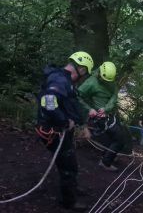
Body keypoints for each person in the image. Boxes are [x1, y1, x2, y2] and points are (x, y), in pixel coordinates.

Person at [35, 51, 93, 211]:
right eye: (84, 73)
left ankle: (71, 188)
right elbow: (49, 103)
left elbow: (69, 104)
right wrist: (65, 121)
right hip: (53, 131)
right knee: (69, 166)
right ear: (81, 69)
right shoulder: (59, 80)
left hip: (59, 130)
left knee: (68, 162)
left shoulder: (64, 80)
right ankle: (69, 202)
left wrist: (79, 123)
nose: (83, 76)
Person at [78, 61, 132, 172]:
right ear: (100, 73)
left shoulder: (109, 78)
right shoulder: (91, 83)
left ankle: (109, 155)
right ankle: (105, 162)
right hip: (98, 117)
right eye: (104, 80)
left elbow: (114, 95)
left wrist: (106, 108)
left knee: (118, 135)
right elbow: (77, 97)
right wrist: (89, 109)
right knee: (120, 138)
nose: (106, 82)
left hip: (108, 114)